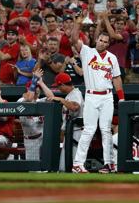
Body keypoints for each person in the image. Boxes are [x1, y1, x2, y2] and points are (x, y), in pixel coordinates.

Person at [71, 18, 125, 174]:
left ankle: (109, 164)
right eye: (100, 40)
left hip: (107, 96)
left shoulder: (112, 58)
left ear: (108, 44)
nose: (102, 43)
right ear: (97, 40)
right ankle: (78, 164)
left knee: (106, 130)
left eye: (105, 41)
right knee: (89, 129)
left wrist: (121, 98)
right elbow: (74, 39)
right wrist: (78, 24)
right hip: (91, 96)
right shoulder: (87, 51)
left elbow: (117, 78)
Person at [49, 72, 84, 172]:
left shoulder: (76, 93)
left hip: (77, 132)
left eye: (59, 86)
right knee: (64, 166)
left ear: (63, 84)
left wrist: (61, 100)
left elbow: (75, 107)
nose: (58, 89)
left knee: (75, 164)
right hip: (70, 133)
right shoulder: (69, 95)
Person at [17, 69, 54, 161]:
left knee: (47, 166)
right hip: (31, 140)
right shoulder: (21, 101)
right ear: (27, 89)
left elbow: (52, 98)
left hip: (44, 138)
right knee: (33, 169)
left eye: (37, 87)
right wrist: (34, 80)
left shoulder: (40, 101)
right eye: (33, 87)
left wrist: (41, 83)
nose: (36, 89)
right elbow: (29, 98)